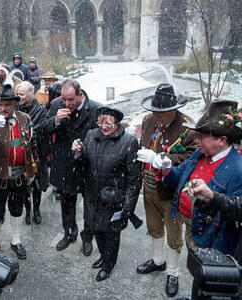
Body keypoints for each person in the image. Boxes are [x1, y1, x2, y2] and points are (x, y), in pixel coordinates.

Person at [157, 100, 242, 257]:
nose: (195, 140)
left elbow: (237, 211)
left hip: (212, 241)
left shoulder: (238, 169)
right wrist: (168, 170)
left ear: (222, 140)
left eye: (201, 136)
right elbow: (180, 174)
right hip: (192, 229)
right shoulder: (200, 154)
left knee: (206, 278)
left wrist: (212, 197)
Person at [136, 83, 196, 297]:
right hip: (149, 185)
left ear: (174, 109)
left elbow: (192, 157)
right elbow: (144, 143)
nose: (157, 116)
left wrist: (164, 159)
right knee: (154, 226)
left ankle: (173, 272)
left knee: (173, 233)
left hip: (171, 189)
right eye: (155, 111)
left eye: (162, 113)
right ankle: (158, 261)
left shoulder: (187, 127)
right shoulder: (148, 121)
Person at [72, 106, 141, 281]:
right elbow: (83, 167)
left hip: (114, 199)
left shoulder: (129, 142)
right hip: (93, 194)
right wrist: (78, 155)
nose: (103, 126)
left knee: (111, 234)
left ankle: (108, 265)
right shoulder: (90, 136)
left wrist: (128, 206)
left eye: (108, 123)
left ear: (117, 124)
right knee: (96, 229)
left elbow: (134, 180)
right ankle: (103, 257)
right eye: (101, 122)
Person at [0, 84, 38, 259]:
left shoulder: (24, 118)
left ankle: (16, 240)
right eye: (0, 105)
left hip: (20, 175)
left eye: (7, 105)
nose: (3, 108)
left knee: (17, 208)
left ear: (14, 104)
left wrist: (34, 169)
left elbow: (32, 145)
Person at [44, 79, 100, 255]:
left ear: (80, 95)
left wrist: (85, 147)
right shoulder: (56, 105)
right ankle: (69, 233)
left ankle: (87, 237)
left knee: (90, 204)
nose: (66, 104)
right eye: (64, 99)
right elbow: (43, 128)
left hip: (87, 165)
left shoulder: (96, 109)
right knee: (67, 202)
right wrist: (56, 121)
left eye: (70, 99)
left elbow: (103, 137)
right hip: (65, 164)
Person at [16, 81, 49, 225]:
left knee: (36, 185)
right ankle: (27, 210)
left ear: (30, 94)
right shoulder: (15, 108)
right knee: (23, 184)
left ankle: (36, 209)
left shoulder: (40, 110)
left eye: (21, 94)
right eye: (17, 94)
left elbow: (42, 129)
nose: (19, 97)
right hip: (20, 153)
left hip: (37, 153)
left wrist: (28, 135)